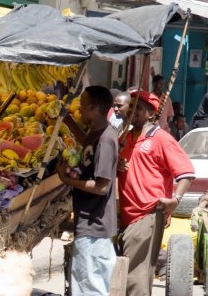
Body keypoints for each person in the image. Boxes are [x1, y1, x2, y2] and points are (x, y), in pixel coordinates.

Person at [117, 90, 195, 295]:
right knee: (127, 273)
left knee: (135, 277)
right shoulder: (125, 137)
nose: (133, 112)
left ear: (151, 114)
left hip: (147, 214)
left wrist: (175, 200)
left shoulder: (162, 139)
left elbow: (186, 172)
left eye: (139, 108)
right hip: (125, 215)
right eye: (131, 106)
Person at [56, 85, 118, 296]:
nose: (79, 110)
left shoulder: (106, 140)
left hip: (94, 226)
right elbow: (86, 143)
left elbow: (102, 187)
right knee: (86, 285)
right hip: (90, 225)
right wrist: (68, 121)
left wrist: (67, 180)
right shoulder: (96, 134)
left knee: (89, 288)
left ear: (93, 107)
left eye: (82, 106)